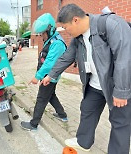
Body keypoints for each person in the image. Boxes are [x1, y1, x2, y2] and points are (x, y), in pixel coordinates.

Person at [41, 4, 131, 154]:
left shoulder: (112, 24)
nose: (66, 31)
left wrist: (121, 91)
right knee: (87, 109)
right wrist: (51, 75)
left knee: (120, 123)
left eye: (65, 27)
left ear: (75, 20)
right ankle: (84, 142)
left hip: (117, 86)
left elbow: (125, 58)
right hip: (95, 84)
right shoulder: (78, 38)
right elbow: (67, 57)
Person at [20, 13, 68, 131]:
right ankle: (62, 115)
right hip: (49, 76)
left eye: (43, 33)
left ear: (50, 30)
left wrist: (37, 77)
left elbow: (49, 63)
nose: (42, 35)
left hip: (49, 77)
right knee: (51, 96)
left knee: (41, 98)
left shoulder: (57, 43)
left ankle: (33, 124)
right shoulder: (51, 39)